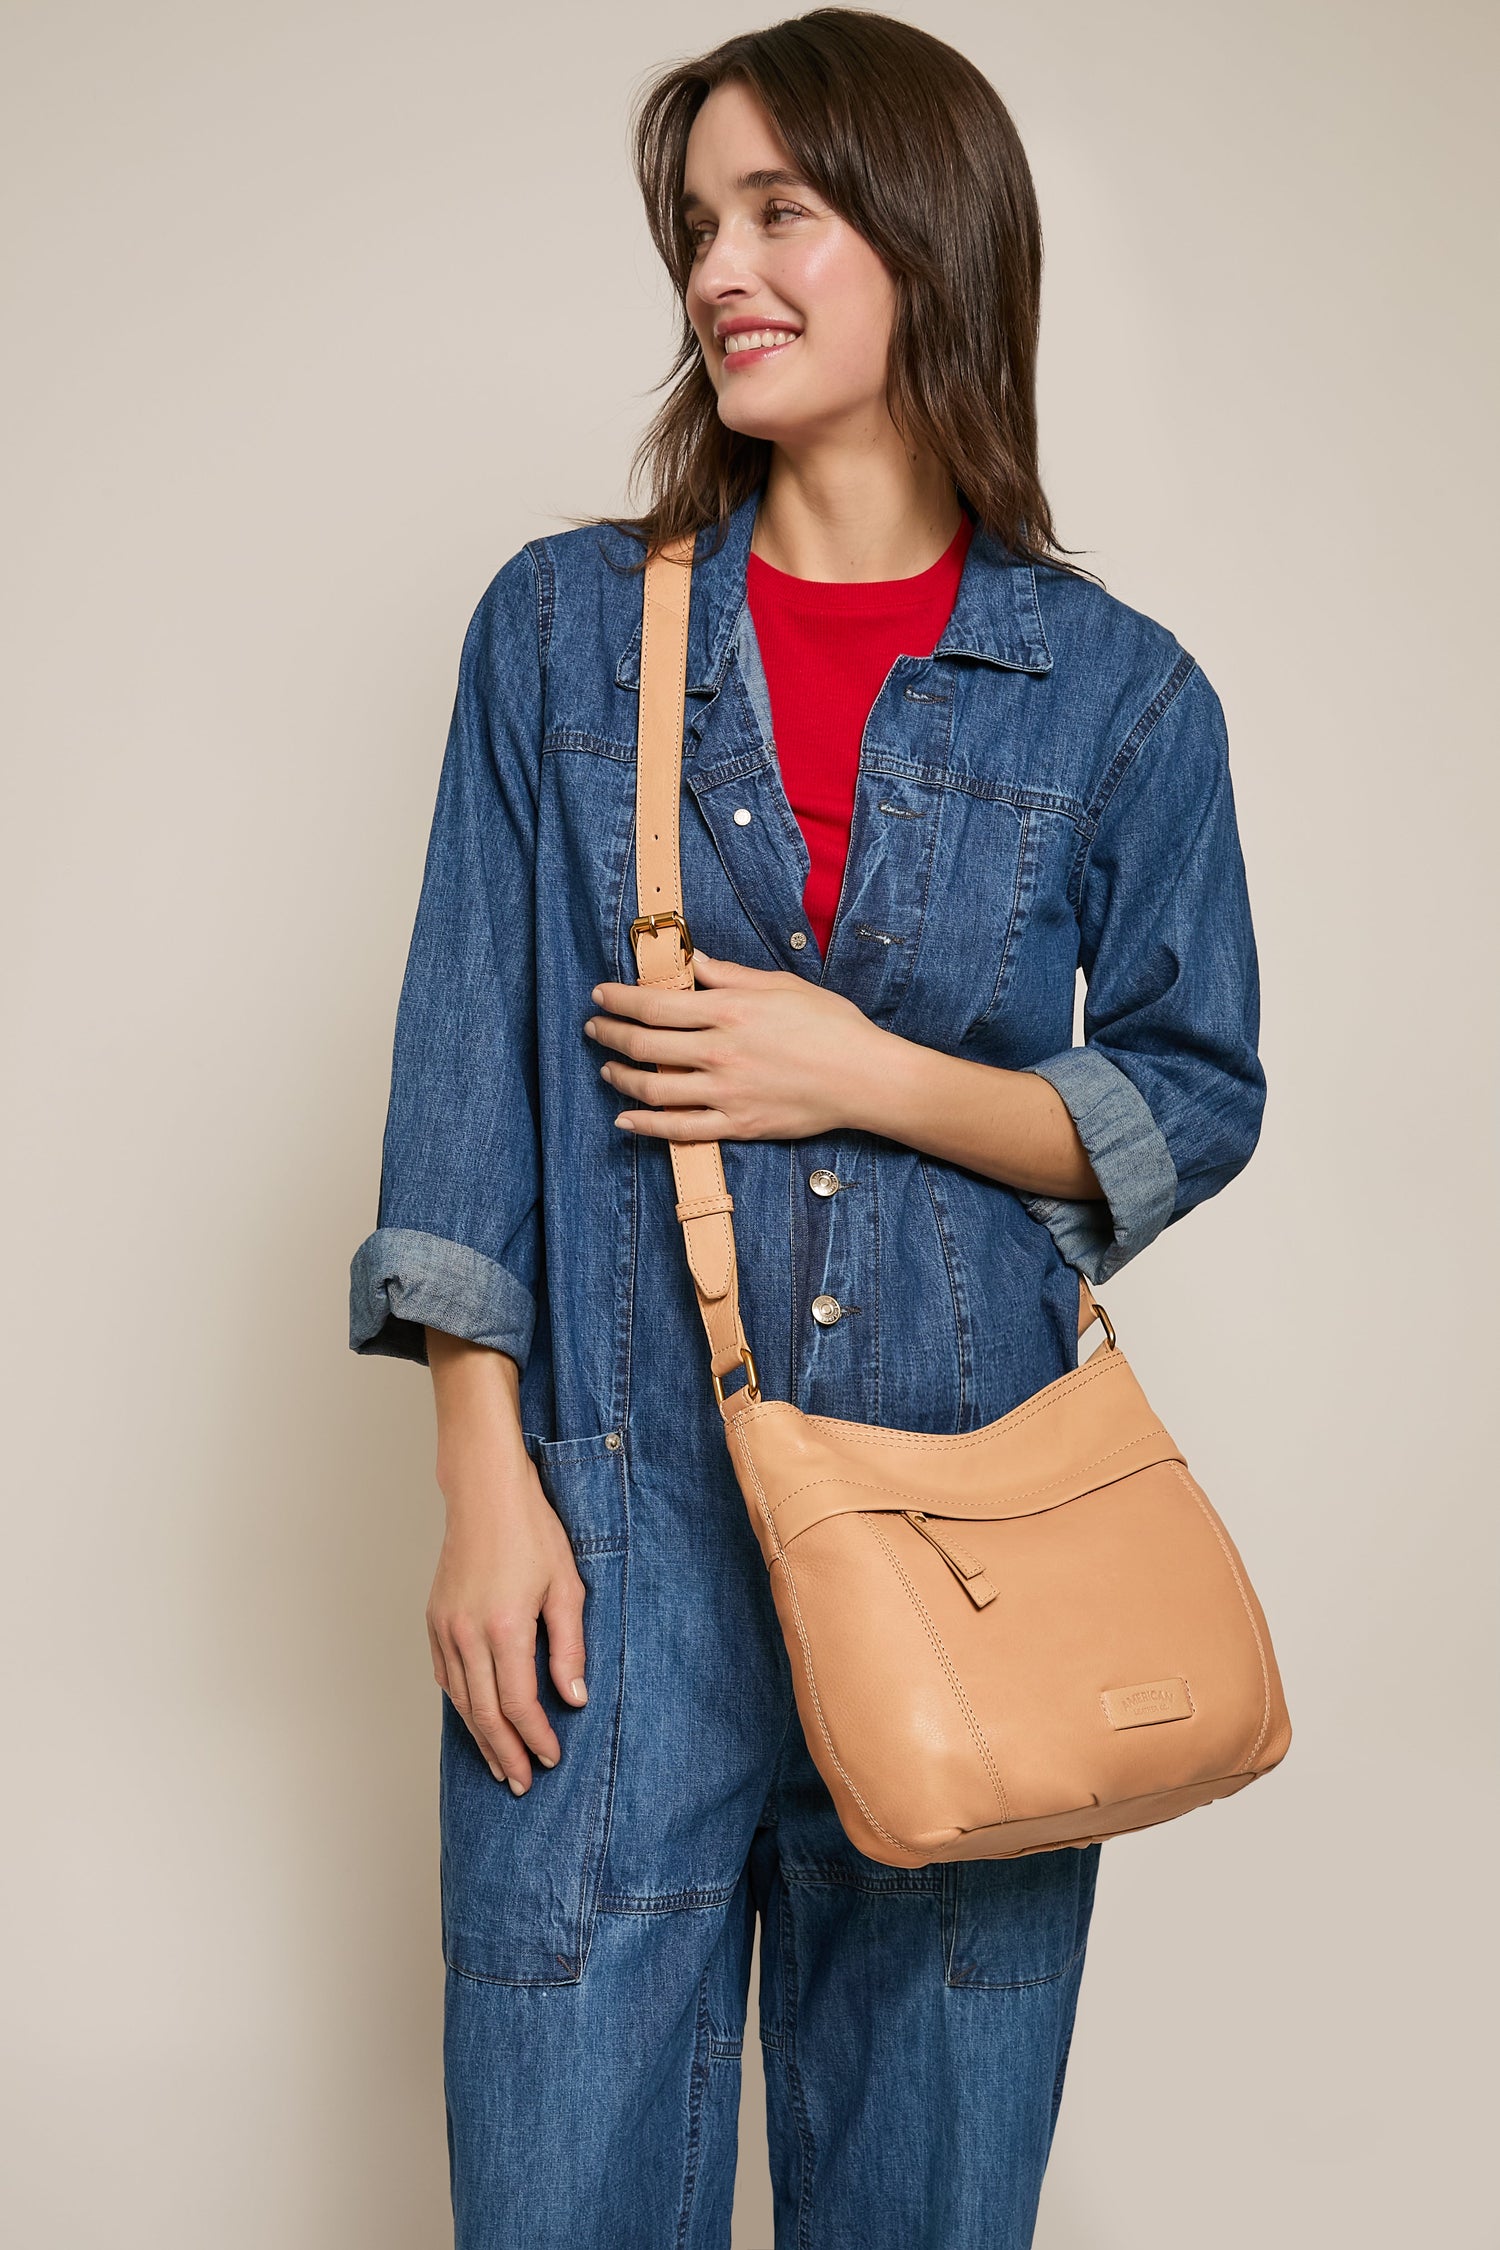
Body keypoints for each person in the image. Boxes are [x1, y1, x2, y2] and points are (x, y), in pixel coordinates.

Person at [347, 11, 1266, 2246]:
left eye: (779, 210)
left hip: (979, 1549)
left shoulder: (1121, 689)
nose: (719, 269)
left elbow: (1196, 1087)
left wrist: (867, 1075)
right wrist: (489, 1486)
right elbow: (469, 1071)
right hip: (611, 1556)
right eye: (696, 224)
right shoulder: (564, 634)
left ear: (928, 237)